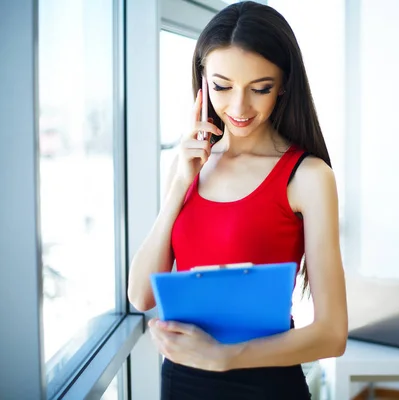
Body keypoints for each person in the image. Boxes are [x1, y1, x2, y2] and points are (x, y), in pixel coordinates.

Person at [127, 1, 348, 399]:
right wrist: (180, 183)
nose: (239, 108)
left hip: (264, 384)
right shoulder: (186, 170)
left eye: (260, 88)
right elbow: (141, 295)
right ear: (202, 81)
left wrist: (224, 356)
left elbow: (332, 335)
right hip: (182, 381)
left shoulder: (309, 177)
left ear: (284, 84)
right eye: (222, 86)